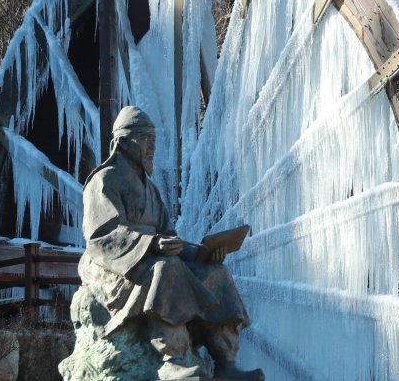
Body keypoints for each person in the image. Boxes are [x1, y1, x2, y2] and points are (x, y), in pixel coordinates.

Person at [75, 106, 264, 380]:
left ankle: (226, 363)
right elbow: (102, 235)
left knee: (217, 275)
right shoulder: (104, 181)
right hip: (117, 268)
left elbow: (169, 236)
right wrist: (151, 245)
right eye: (145, 140)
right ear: (123, 142)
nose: (151, 147)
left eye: (154, 141)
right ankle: (171, 358)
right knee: (167, 269)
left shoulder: (150, 188)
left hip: (151, 259)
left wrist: (201, 254)